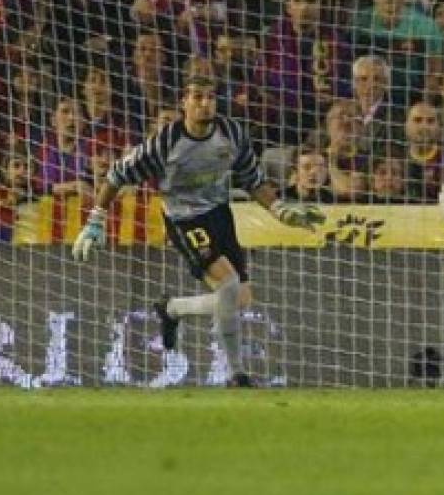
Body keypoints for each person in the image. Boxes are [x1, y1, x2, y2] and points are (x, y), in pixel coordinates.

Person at [70, 74, 324, 388]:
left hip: (219, 214)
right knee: (229, 285)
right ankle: (236, 375)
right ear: (184, 103)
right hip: (183, 220)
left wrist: (280, 210)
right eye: (197, 97)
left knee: (240, 299)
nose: (205, 104)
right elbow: (116, 175)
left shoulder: (231, 134)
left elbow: (253, 181)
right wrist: (95, 220)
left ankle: (173, 308)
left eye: (210, 97)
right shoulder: (165, 143)